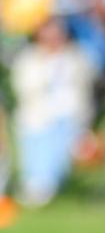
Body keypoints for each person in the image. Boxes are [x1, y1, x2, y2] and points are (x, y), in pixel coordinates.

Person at [11, 16, 96, 206]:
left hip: (71, 120)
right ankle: (38, 184)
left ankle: (44, 185)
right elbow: (26, 89)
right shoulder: (29, 59)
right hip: (38, 119)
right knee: (40, 141)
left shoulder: (77, 57)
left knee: (62, 141)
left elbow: (85, 88)